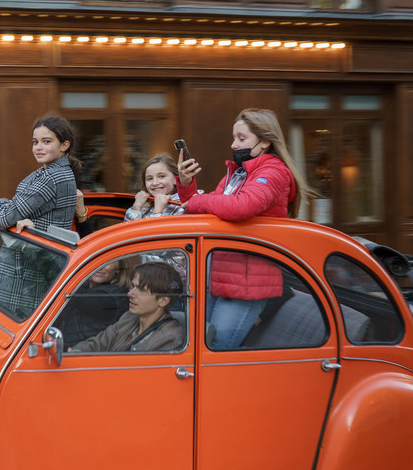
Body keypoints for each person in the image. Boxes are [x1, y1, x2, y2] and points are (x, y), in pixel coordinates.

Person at [175, 108, 312, 349]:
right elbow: (207, 209)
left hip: (247, 284)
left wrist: (196, 200)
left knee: (214, 350)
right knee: (200, 345)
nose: (234, 145)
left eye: (242, 138)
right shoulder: (236, 174)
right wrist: (187, 186)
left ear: (265, 141)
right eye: (234, 138)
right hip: (223, 273)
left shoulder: (274, 171)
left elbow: (241, 206)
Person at [0, 114, 80, 233]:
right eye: (35, 142)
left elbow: (6, 218)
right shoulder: (56, 171)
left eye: (46, 141)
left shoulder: (52, 177)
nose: (38, 147)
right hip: (44, 246)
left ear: (64, 145)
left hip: (39, 249)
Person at [69, 262, 185, 353]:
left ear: (163, 300)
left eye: (141, 290)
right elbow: (96, 344)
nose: (130, 293)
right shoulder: (129, 318)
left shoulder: (171, 338)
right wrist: (75, 353)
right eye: (132, 286)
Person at [56, 258, 131, 345]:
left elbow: (71, 292)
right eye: (95, 260)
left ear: (118, 268)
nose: (100, 266)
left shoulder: (109, 299)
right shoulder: (88, 286)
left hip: (78, 354)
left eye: (107, 262)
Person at [124, 154, 185, 220]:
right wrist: (136, 208)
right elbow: (129, 230)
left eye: (161, 176)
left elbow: (161, 230)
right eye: (149, 178)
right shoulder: (144, 207)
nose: (155, 183)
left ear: (176, 179)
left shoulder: (184, 205)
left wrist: (157, 212)